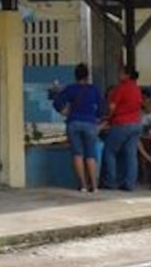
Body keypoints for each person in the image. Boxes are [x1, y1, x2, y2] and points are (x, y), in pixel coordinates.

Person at [52, 63, 103, 193]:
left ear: (75, 76)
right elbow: (102, 108)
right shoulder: (94, 89)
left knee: (77, 154)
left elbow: (57, 102)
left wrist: (63, 111)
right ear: (87, 75)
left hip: (73, 122)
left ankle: (83, 185)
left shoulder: (71, 88)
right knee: (91, 155)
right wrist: (96, 117)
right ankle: (95, 186)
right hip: (90, 123)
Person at [103, 64, 143, 191]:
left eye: (120, 72)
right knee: (131, 155)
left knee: (109, 151)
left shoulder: (121, 88)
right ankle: (129, 183)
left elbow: (112, 107)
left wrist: (107, 118)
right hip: (136, 123)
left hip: (122, 123)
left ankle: (110, 181)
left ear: (126, 74)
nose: (118, 75)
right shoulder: (136, 88)